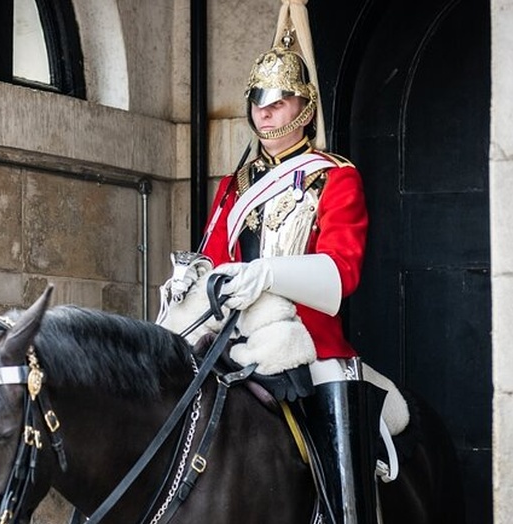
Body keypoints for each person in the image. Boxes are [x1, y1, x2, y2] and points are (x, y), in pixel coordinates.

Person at [157, 21, 396, 524]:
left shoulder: (335, 177)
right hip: (235, 337)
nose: (264, 111)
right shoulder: (234, 185)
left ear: (304, 107)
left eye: (279, 101)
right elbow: (217, 262)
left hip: (309, 339)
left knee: (339, 441)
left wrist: (269, 273)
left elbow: (341, 273)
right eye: (257, 100)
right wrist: (189, 281)